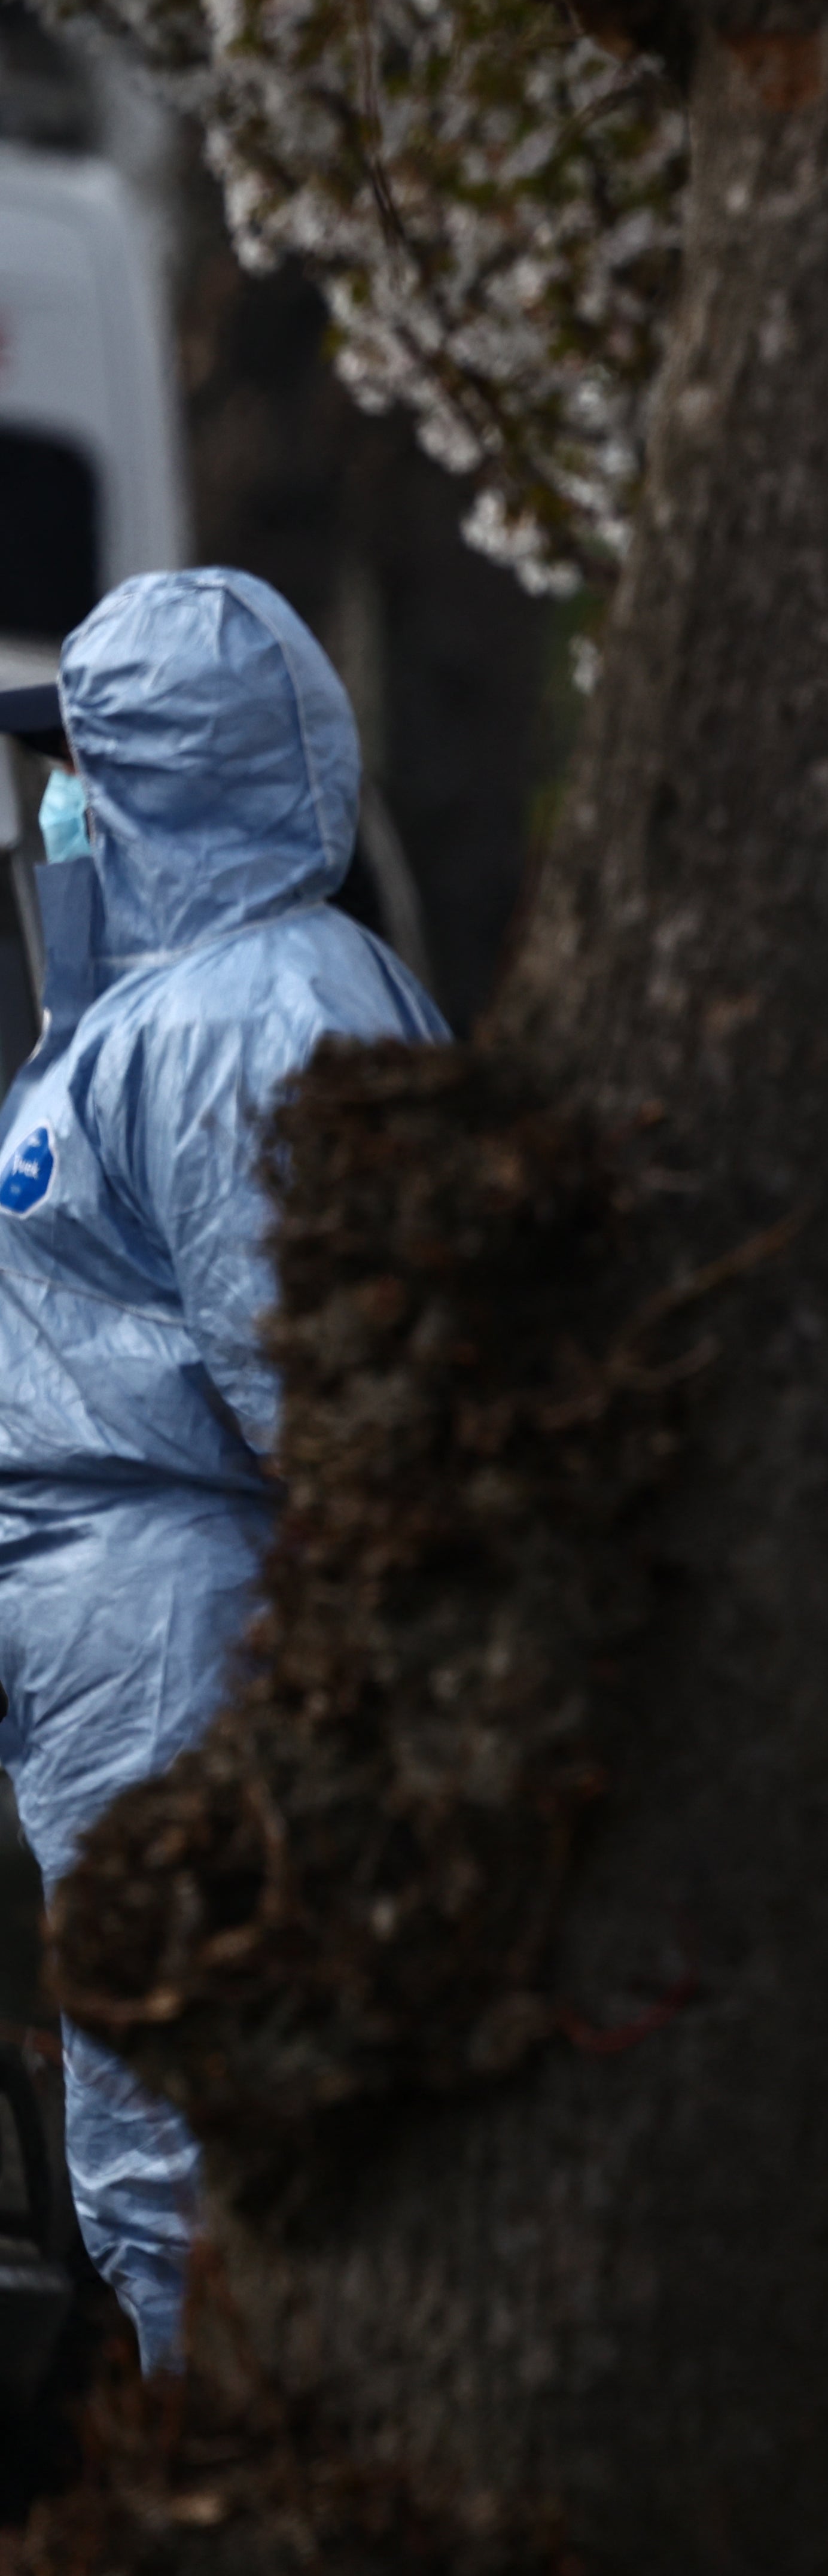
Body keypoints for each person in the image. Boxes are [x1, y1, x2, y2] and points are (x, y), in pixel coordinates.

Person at [0, 571, 452, 2370]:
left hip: (186, 1622)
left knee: (189, 2118)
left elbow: (319, 1385)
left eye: (78, 765)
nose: (52, 806)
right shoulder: (168, 1004)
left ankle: (275, 2531)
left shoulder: (255, 1011)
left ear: (166, 777)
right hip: (127, 1614)